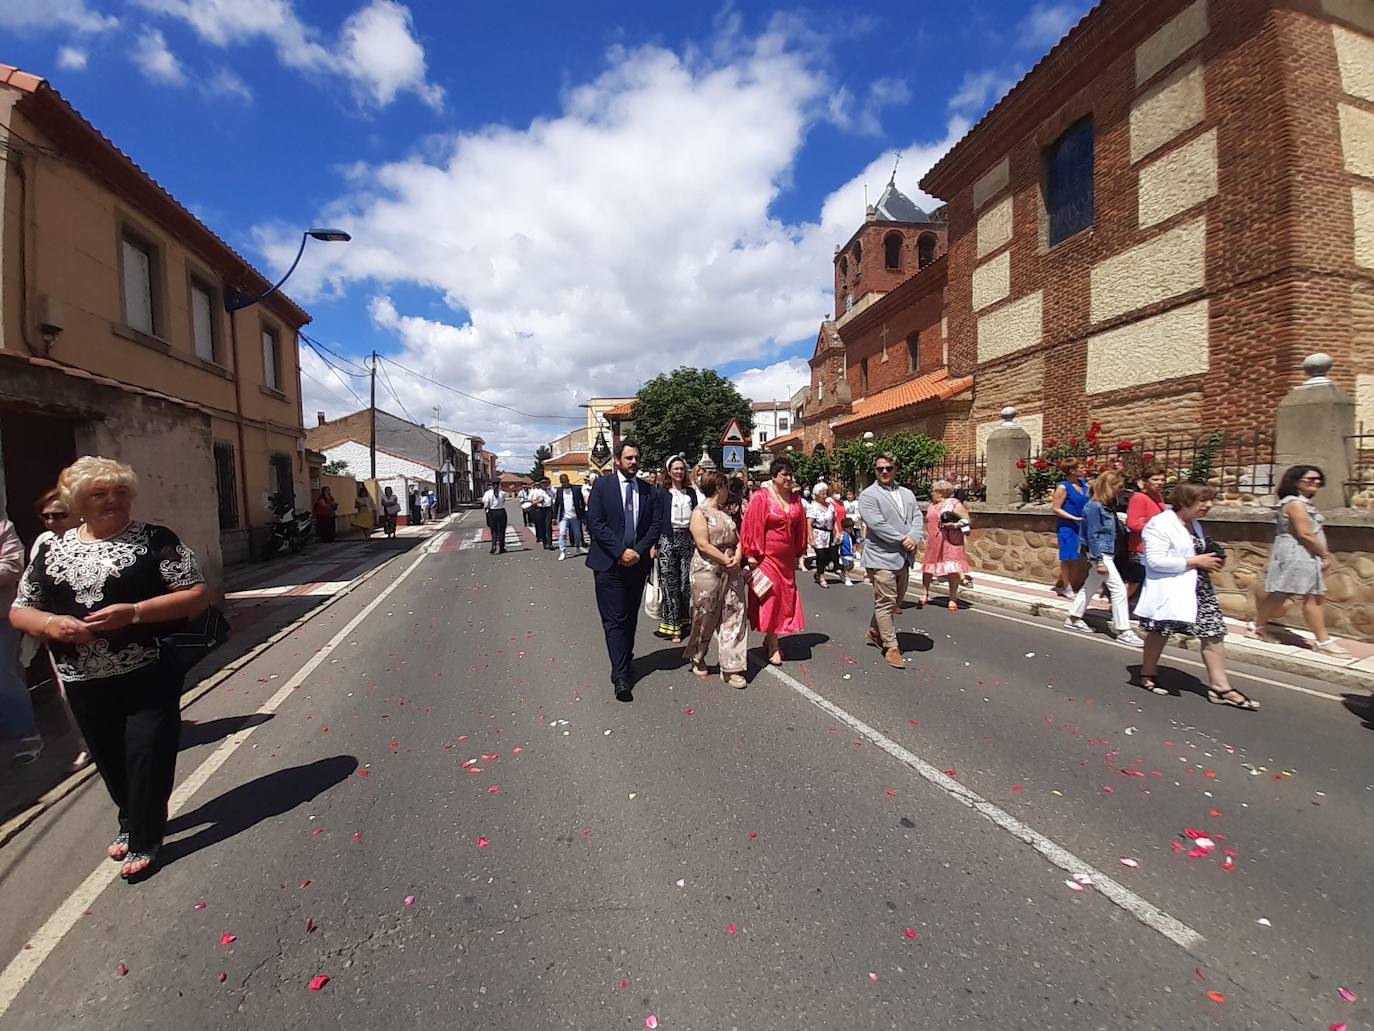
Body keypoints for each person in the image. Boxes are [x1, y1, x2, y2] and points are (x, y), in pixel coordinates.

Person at [10, 457, 210, 878]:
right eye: (99, 494)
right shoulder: (51, 549)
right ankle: (129, 818)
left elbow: (195, 595)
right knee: (110, 756)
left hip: (148, 670)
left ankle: (145, 836)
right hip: (82, 679)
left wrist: (134, 613)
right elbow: (21, 609)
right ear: (78, 501)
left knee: (146, 752)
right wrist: (50, 624)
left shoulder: (155, 540)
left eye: (120, 492)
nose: (112, 501)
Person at [1135, 482, 1259, 709]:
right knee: (1160, 631)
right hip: (1171, 588)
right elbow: (1154, 561)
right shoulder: (1159, 524)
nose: (1209, 505)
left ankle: (1220, 687)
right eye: (1203, 500)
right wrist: (1195, 561)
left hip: (1199, 588)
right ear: (1185, 501)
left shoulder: (1195, 525)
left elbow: (1196, 550)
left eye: (1210, 500)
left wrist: (1211, 559)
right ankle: (1148, 673)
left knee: (1213, 632)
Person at [19, 490, 90, 771]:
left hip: (99, 627)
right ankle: (87, 745)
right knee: (68, 693)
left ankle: (118, 738)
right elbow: (31, 585)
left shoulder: (93, 540)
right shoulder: (43, 543)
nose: (52, 522)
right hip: (60, 631)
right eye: (46, 516)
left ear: (77, 514)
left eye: (59, 515)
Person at [586, 442, 660, 701]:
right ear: (617, 460)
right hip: (609, 564)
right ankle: (619, 676)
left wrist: (638, 551)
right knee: (614, 620)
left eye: (637, 458)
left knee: (630, 617)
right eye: (629, 458)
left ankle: (625, 659)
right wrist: (620, 551)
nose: (634, 462)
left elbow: (654, 524)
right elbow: (595, 523)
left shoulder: (648, 490)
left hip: (636, 565)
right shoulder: (602, 487)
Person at [1252, 465, 1348, 654]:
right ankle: (1323, 642)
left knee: (1283, 593)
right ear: (1295, 481)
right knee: (1312, 596)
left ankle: (1256, 627)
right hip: (1300, 553)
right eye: (1310, 479)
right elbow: (1305, 534)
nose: (1316, 482)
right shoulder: (1295, 504)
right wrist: (1325, 554)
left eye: (1318, 479)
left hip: (1300, 553)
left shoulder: (1299, 503)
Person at [858, 452, 923, 669]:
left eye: (888, 468)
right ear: (875, 471)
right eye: (880, 469)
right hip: (881, 556)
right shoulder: (868, 496)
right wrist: (902, 538)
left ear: (896, 470)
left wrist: (914, 537)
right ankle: (891, 646)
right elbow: (876, 524)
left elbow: (917, 517)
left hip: (903, 556)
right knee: (886, 602)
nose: (884, 472)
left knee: (895, 601)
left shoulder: (907, 494)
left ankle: (875, 630)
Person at [684, 470, 749, 688]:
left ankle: (732, 667)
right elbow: (702, 543)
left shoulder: (726, 514)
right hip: (708, 569)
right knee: (705, 616)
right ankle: (698, 655)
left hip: (732, 569)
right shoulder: (699, 512)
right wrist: (725, 559)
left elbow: (738, 538)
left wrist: (737, 556)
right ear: (719, 487)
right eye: (726, 487)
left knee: (735, 614)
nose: (727, 492)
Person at [1065, 470, 1144, 646]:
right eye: (1118, 487)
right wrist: (1100, 559)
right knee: (1118, 590)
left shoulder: (1106, 507)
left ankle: (1073, 618)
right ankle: (1124, 630)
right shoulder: (1094, 507)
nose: (1120, 491)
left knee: (1090, 586)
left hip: (1106, 553)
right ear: (1109, 487)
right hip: (1101, 554)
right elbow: (1093, 535)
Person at [741, 458, 807, 666]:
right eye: (784, 474)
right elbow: (751, 525)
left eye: (790, 474)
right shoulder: (762, 497)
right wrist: (750, 554)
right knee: (771, 597)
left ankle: (771, 636)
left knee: (785, 600)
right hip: (766, 557)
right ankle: (773, 644)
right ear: (774, 476)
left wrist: (799, 552)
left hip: (786, 559)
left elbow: (801, 527)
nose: (788, 478)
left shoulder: (796, 499)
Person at [1, 516, 43, 765]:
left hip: (1, 619)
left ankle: (26, 735)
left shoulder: (3, 528)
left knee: (4, 678)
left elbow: (12, 565)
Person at [654, 456, 697, 642]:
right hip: (667, 539)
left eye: (682, 469)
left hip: (687, 538)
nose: (679, 472)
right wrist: (654, 545)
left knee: (686, 583)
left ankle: (685, 618)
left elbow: (697, 516)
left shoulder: (691, 493)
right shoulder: (662, 493)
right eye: (676, 469)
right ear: (669, 471)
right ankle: (672, 625)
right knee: (670, 584)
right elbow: (656, 520)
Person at [921, 479, 971, 611]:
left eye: (934, 491)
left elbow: (966, 520)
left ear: (941, 492)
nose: (932, 493)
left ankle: (953, 598)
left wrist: (954, 525)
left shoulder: (954, 503)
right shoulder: (932, 505)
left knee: (952, 569)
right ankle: (924, 592)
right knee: (928, 568)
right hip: (934, 540)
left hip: (950, 540)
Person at [1123, 463, 1167, 599]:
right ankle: (1117, 607)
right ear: (1145, 482)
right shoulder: (1139, 498)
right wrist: (1157, 528)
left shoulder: (1159, 498)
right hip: (1140, 547)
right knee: (1134, 581)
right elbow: (1133, 524)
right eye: (1155, 479)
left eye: (1162, 479)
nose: (1159, 483)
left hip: (1156, 546)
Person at [1050, 459, 1090, 598]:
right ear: (1072, 471)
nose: (1085, 468)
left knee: (1079, 557)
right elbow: (1056, 508)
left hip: (1082, 526)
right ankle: (1066, 586)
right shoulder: (1063, 487)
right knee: (1068, 557)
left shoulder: (1084, 485)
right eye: (1081, 466)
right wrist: (1074, 518)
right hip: (1068, 527)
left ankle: (1074, 584)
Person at [807, 483, 841, 587]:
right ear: (817, 495)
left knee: (828, 556)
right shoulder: (813, 506)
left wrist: (837, 532)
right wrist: (811, 538)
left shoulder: (830, 506)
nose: (825, 496)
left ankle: (818, 572)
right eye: (823, 494)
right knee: (820, 556)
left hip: (829, 534)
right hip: (819, 534)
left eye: (826, 494)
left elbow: (834, 520)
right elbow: (809, 523)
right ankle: (821, 575)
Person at [552, 474, 587, 560]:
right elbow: (556, 504)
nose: (563, 484)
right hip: (564, 516)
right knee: (562, 534)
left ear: (568, 480)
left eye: (564, 482)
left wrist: (583, 516)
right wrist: (554, 517)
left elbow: (581, 502)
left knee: (577, 534)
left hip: (575, 516)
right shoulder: (559, 491)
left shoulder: (576, 489)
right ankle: (562, 551)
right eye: (562, 483)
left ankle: (577, 546)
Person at [481, 479, 508, 554]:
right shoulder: (502, 493)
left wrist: (486, 509)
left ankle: (493, 546)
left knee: (494, 531)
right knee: (501, 531)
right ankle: (502, 547)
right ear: (499, 484)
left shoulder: (487, 493)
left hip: (492, 512)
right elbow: (503, 502)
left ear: (492, 485)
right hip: (501, 512)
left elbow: (486, 505)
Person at [838, 518, 858, 587]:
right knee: (846, 566)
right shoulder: (842, 535)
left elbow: (853, 544)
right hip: (844, 553)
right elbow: (838, 542)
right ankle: (847, 578)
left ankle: (842, 574)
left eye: (851, 527)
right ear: (844, 528)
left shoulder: (851, 536)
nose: (850, 529)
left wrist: (854, 551)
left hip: (850, 553)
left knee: (851, 565)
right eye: (849, 528)